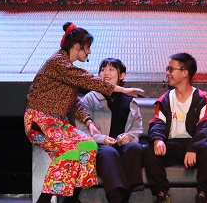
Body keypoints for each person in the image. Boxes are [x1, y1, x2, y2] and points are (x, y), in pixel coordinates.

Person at [25, 23, 146, 203]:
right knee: (70, 152)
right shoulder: (59, 62)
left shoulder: (67, 67)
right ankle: (44, 200)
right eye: (87, 48)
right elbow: (87, 80)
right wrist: (122, 89)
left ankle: (72, 199)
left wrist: (89, 121)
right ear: (77, 46)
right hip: (40, 121)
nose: (89, 52)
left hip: (58, 123)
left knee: (88, 145)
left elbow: (73, 102)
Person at [144, 53, 207, 203]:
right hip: (172, 145)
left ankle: (203, 195)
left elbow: (205, 127)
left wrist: (193, 148)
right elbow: (158, 123)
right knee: (149, 150)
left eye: (171, 69)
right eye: (167, 69)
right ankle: (161, 194)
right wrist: (157, 140)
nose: (167, 73)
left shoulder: (202, 99)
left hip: (195, 145)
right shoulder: (165, 99)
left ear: (184, 73)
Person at [76, 58, 144, 203]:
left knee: (135, 147)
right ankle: (117, 198)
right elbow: (82, 129)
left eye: (111, 69)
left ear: (122, 75)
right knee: (109, 152)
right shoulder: (90, 98)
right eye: (103, 70)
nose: (106, 73)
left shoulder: (130, 101)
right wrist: (103, 139)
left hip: (121, 145)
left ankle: (123, 196)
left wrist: (129, 136)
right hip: (99, 146)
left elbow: (137, 128)